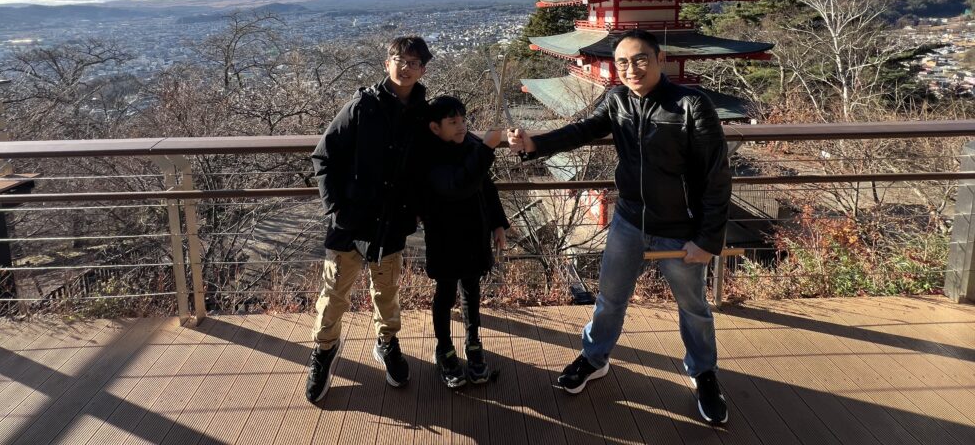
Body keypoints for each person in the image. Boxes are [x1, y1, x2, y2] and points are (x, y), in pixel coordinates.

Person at [508, 29, 732, 425]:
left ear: (660, 58)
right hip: (629, 219)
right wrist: (534, 145)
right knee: (609, 298)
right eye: (622, 62)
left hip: (680, 227)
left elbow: (716, 176)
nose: (631, 69)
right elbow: (582, 130)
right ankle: (595, 358)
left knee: (693, 307)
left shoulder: (690, 104)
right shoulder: (617, 99)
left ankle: (703, 372)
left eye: (640, 59)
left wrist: (707, 239)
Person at [304, 36, 432, 404]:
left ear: (423, 69)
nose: (404, 67)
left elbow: (441, 151)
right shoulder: (362, 106)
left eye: (412, 62)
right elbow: (323, 156)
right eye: (398, 59)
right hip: (351, 220)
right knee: (334, 293)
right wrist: (337, 209)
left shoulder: (424, 113)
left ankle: (387, 342)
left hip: (393, 220)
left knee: (387, 291)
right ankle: (325, 350)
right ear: (386, 63)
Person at [419, 96, 509, 388]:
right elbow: (457, 186)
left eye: (463, 120)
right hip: (444, 236)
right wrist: (487, 148)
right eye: (453, 122)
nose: (461, 126)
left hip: (474, 233)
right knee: (445, 294)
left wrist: (497, 223)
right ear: (435, 127)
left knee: (471, 291)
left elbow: (486, 186)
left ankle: (473, 344)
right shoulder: (429, 155)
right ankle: (444, 349)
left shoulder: (469, 143)